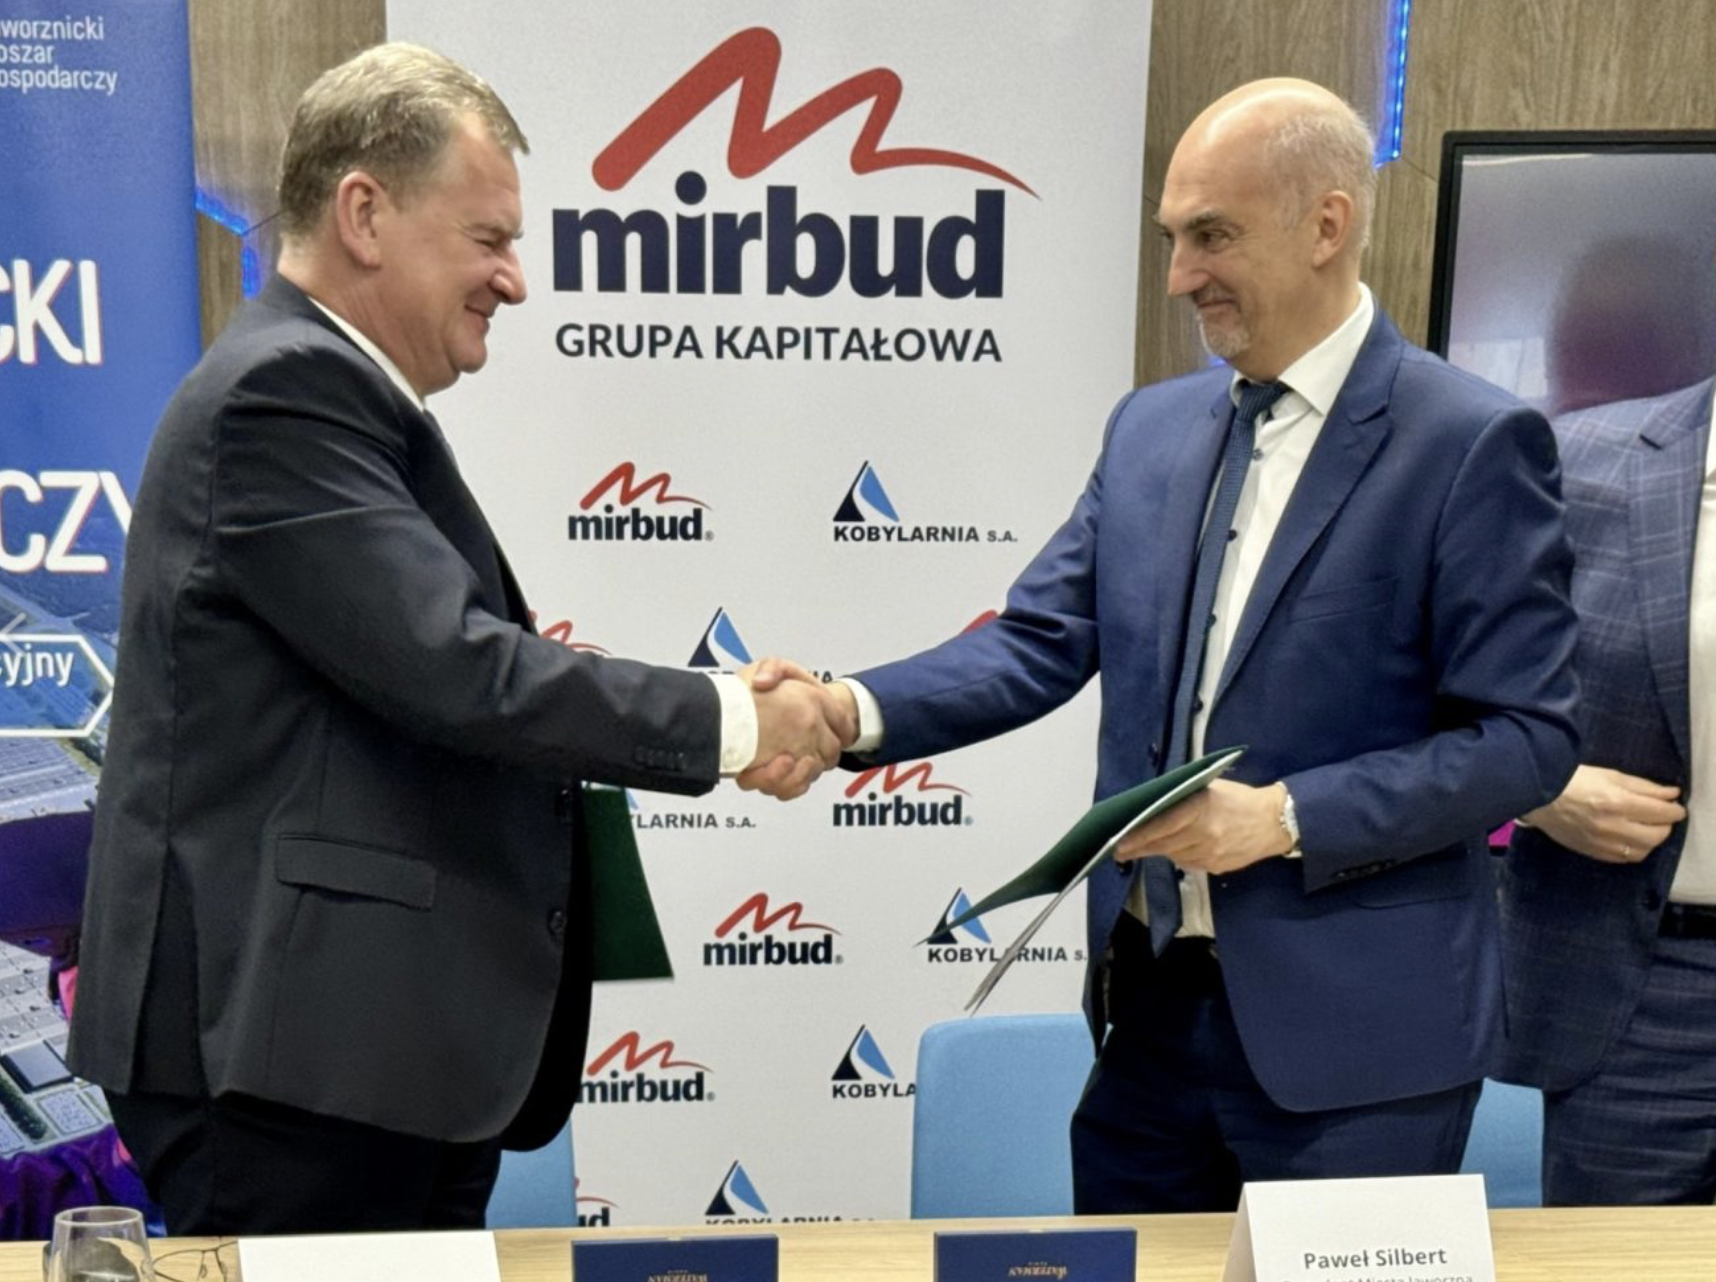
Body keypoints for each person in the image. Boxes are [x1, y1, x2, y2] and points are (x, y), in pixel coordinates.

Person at [66, 42, 848, 1235]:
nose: (514, 280)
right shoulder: (280, 395)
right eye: (488, 239)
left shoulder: (330, 395)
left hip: (365, 1057)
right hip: (290, 1070)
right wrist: (736, 719)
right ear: (365, 214)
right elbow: (461, 671)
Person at [803, 79, 1581, 1211]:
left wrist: (1284, 817)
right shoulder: (1150, 429)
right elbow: (1036, 641)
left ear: (1327, 224)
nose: (1179, 276)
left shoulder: (1468, 442)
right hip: (1150, 1010)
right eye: (1172, 238)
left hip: (1360, 1048)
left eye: (1212, 236)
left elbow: (1527, 739)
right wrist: (844, 711)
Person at [1500, 373, 1714, 1205]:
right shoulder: (1580, 459)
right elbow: (1430, 675)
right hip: (1644, 986)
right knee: (1615, 1257)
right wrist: (1539, 788)